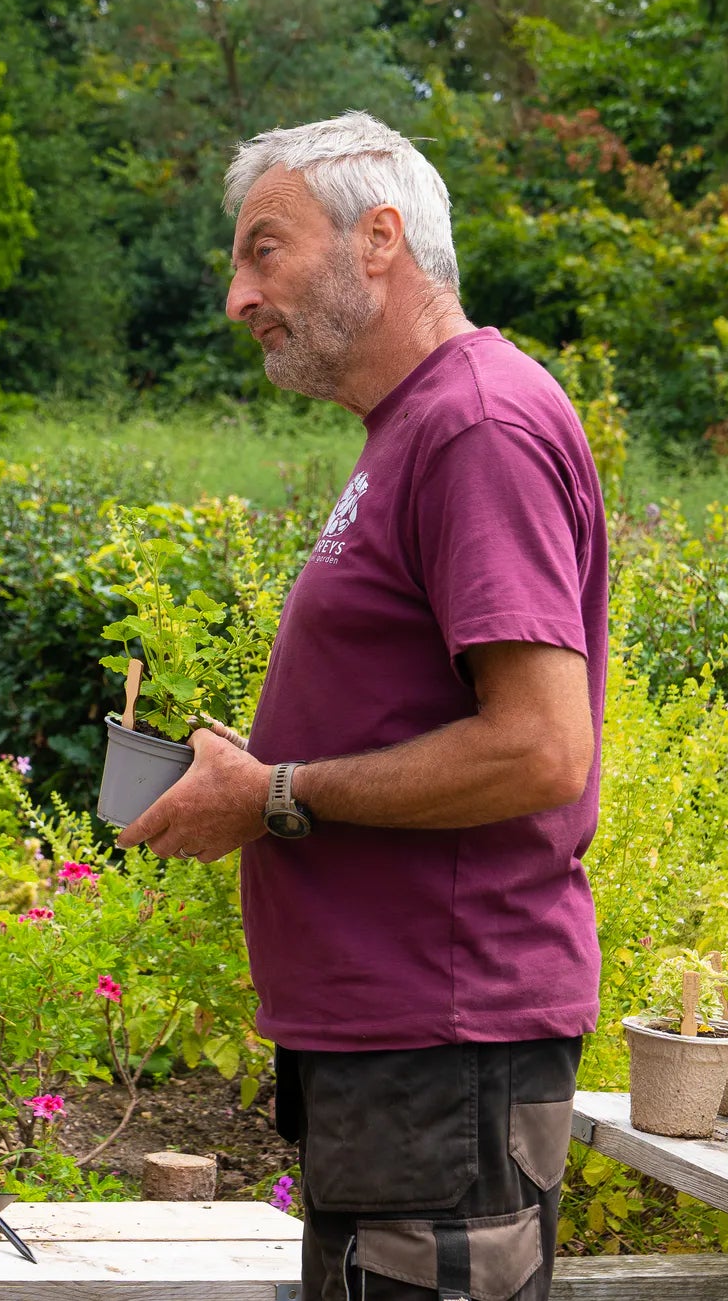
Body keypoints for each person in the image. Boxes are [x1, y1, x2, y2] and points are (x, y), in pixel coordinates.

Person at [117, 112, 606, 1301]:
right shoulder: (415, 426)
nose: (238, 296)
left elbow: (539, 748)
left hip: (445, 1046)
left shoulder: (475, 424)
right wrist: (258, 773)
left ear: (376, 238)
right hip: (396, 1053)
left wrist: (275, 792)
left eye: (262, 250)